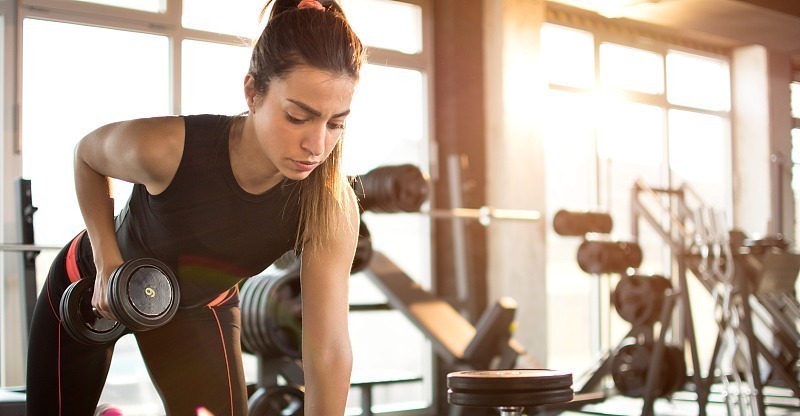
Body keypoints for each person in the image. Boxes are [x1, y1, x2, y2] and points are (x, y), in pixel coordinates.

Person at [25, 0, 366, 414]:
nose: (316, 146)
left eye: (335, 124)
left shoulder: (329, 204)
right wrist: (107, 260)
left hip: (197, 309)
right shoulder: (170, 147)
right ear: (253, 92)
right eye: (297, 117)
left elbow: (328, 350)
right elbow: (87, 157)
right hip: (95, 282)